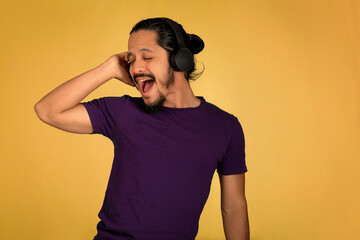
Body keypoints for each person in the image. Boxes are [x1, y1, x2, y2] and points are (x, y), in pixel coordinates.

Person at [34, 17, 249, 240]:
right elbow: (48, 110)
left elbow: (233, 206)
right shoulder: (122, 111)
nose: (135, 68)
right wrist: (108, 69)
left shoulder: (225, 127)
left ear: (179, 60)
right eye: (130, 60)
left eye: (147, 57)